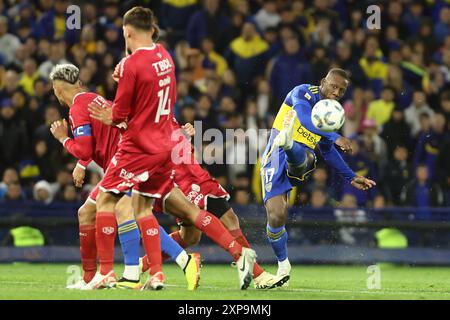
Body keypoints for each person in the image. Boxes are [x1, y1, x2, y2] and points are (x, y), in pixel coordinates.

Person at [88, 7, 257, 290]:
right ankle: (156, 274)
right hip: (165, 145)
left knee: (106, 200)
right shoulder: (165, 56)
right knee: (143, 208)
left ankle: (104, 272)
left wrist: (110, 116)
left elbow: (120, 113)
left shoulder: (132, 65)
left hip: (139, 146)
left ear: (127, 32)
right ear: (152, 30)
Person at [49, 64, 201, 291]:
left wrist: (63, 139)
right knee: (92, 212)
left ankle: (175, 262)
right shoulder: (93, 98)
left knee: (126, 211)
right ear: (79, 84)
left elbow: (84, 149)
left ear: (57, 91)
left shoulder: (76, 109)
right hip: (133, 159)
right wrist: (82, 165)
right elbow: (108, 131)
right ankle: (99, 277)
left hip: (124, 164)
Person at [260, 68, 376, 285]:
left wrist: (350, 176)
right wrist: (335, 136)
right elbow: (304, 118)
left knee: (305, 157)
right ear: (323, 82)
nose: (336, 92)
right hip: (273, 158)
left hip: (302, 156)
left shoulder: (330, 114)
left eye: (341, 90)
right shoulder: (302, 92)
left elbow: (327, 150)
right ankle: (283, 265)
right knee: (276, 215)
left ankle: (289, 143)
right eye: (334, 86)